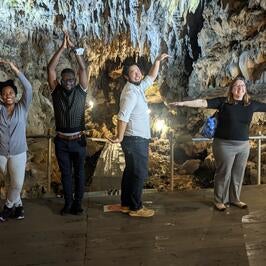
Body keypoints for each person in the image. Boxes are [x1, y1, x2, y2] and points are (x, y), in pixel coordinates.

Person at [169, 76, 266, 211]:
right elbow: (203, 103)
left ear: (246, 89)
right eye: (237, 86)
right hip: (224, 145)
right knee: (224, 172)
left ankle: (235, 199)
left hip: (243, 146)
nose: (240, 88)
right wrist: (183, 104)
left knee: (238, 173)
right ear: (232, 89)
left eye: (242, 86)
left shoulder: (251, 104)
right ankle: (220, 200)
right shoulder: (223, 102)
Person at [108, 53, 169, 217]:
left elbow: (150, 77)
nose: (138, 74)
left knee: (131, 172)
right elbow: (123, 115)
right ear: (127, 77)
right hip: (134, 139)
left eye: (138, 71)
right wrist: (119, 137)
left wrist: (156, 61)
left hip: (135, 139)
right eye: (133, 72)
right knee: (139, 173)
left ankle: (127, 204)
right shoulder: (131, 93)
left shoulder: (137, 88)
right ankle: (136, 208)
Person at [47, 31, 88, 215]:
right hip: (62, 141)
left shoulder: (81, 91)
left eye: (71, 79)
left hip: (78, 141)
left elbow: (83, 70)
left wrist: (74, 49)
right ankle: (68, 203)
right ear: (61, 81)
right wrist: (62, 48)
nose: (69, 82)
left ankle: (78, 203)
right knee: (66, 175)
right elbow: (50, 69)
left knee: (79, 174)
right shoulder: (57, 92)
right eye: (66, 80)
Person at [0, 60, 32, 222]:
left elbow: (28, 88)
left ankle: (7, 208)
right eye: (4, 94)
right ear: (1, 96)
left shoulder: (22, 107)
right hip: (2, 153)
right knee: (9, 182)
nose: (8, 96)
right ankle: (18, 208)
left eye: (11, 93)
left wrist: (15, 69)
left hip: (19, 153)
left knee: (17, 183)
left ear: (15, 94)